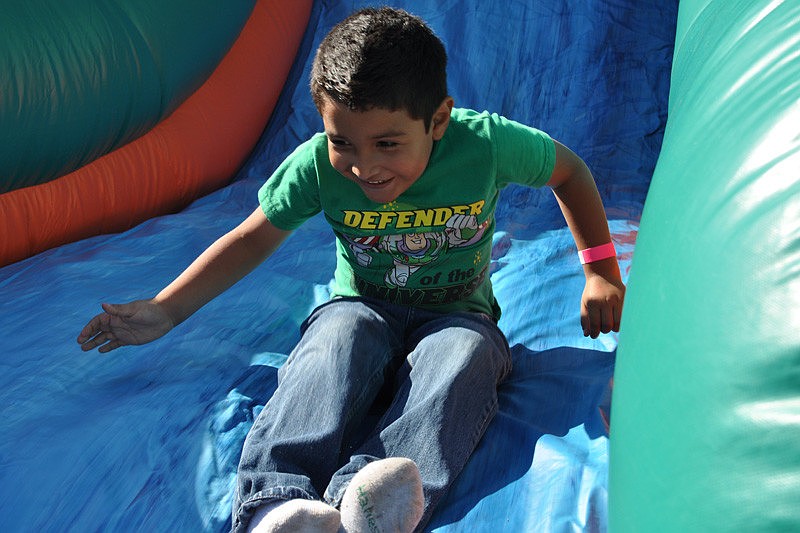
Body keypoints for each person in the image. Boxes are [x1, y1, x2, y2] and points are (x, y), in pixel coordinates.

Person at [77, 7, 624, 533]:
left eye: (387, 144)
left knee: (464, 357)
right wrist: (167, 308)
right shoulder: (317, 164)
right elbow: (250, 238)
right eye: (344, 143)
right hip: (362, 305)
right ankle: (274, 506)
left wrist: (600, 271)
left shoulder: (483, 144)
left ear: (438, 121)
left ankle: (368, 503)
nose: (364, 166)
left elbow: (569, 172)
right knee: (335, 341)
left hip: (457, 314)